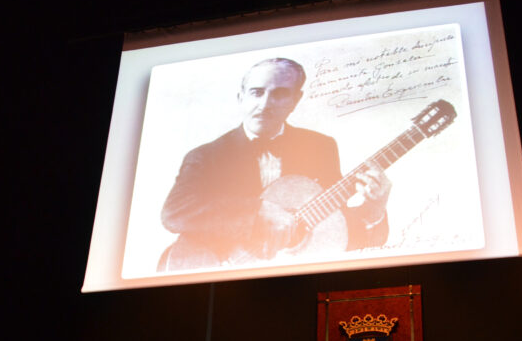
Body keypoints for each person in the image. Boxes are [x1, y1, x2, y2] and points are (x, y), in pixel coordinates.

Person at [159, 57, 391, 270]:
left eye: (279, 94)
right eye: (257, 93)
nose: (265, 104)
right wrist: (258, 210)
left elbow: (336, 233)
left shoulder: (320, 147)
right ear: (241, 98)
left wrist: (375, 209)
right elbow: (174, 212)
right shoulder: (206, 156)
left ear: (295, 100)